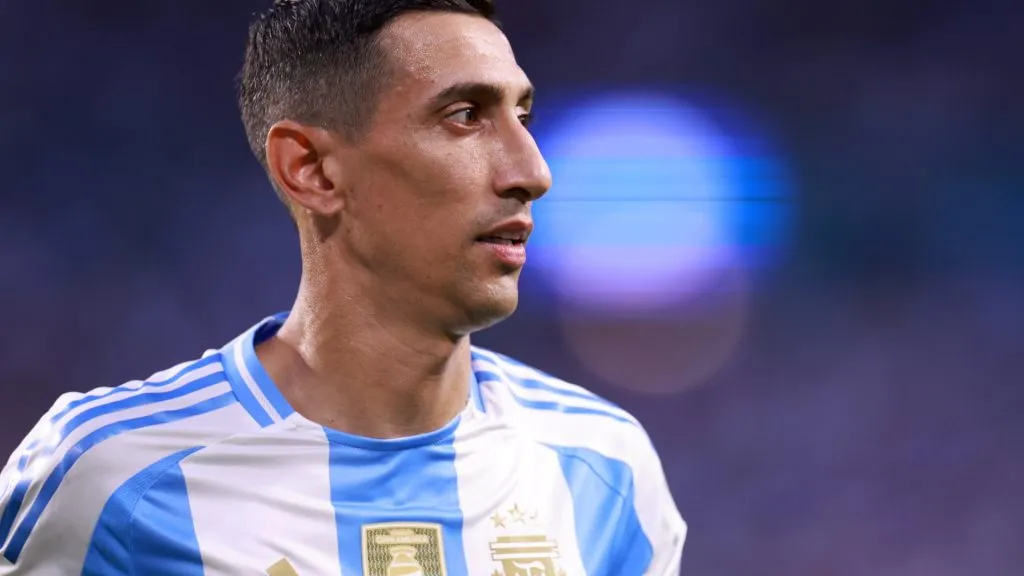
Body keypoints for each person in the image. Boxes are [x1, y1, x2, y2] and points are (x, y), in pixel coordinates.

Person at [0, 0, 686, 573]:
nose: (532, 170)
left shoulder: (604, 467)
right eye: (466, 116)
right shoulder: (112, 475)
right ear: (312, 171)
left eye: (523, 116)